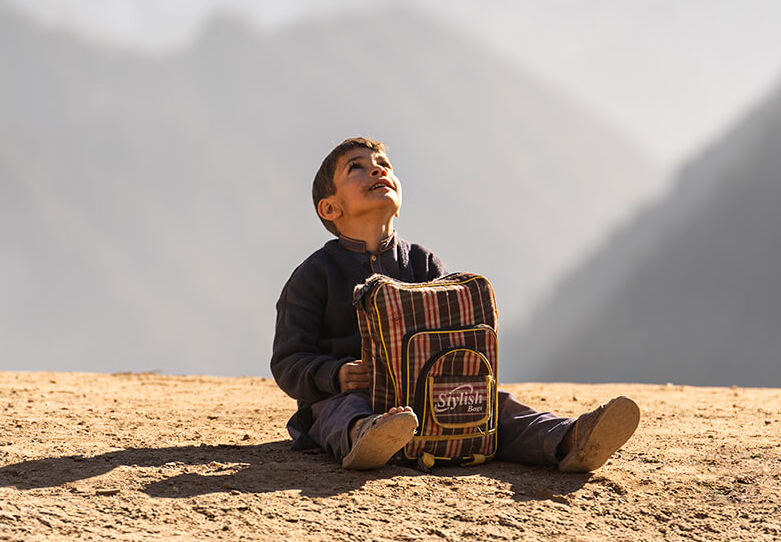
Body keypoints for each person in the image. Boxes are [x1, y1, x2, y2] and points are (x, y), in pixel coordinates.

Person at [271, 136, 639, 471]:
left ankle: (570, 439)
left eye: (383, 163)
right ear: (330, 209)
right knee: (345, 411)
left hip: (428, 395)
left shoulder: (424, 264)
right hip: (347, 397)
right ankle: (368, 437)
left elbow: (456, 336)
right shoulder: (314, 275)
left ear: (398, 205)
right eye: (357, 167)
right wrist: (335, 375)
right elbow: (288, 360)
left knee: (497, 407)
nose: (377, 169)